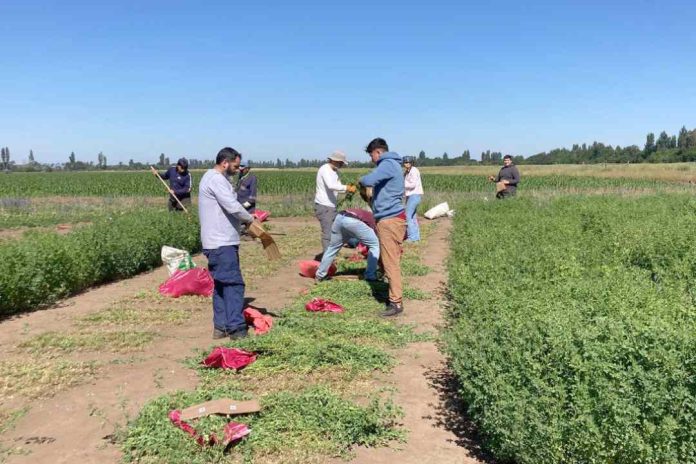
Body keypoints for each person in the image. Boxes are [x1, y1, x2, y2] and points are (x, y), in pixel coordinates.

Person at [198, 147, 255, 340]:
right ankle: (236, 328)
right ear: (225, 162)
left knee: (221, 285)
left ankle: (220, 327)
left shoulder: (211, 178)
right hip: (221, 242)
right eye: (236, 165)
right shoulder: (216, 179)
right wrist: (250, 220)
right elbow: (232, 206)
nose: (238, 169)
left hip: (216, 241)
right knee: (233, 284)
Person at [359, 138, 406, 317]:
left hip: (390, 220)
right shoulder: (392, 165)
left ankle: (396, 303)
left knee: (390, 262)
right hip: (389, 218)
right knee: (387, 260)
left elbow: (369, 179)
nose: (372, 159)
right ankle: (393, 294)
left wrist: (360, 180)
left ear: (377, 152)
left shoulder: (387, 164)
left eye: (371, 155)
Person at [315, 208, 380, 282]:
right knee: (375, 245)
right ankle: (370, 276)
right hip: (352, 221)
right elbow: (371, 243)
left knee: (332, 248)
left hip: (339, 218)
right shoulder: (374, 220)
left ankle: (320, 275)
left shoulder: (366, 213)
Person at [314, 151, 356, 258]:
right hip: (324, 206)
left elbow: (337, 187)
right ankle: (327, 259)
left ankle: (331, 255)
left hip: (331, 206)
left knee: (335, 231)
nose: (341, 165)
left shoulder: (334, 171)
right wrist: (346, 187)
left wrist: (347, 190)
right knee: (328, 233)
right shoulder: (325, 169)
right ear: (334, 161)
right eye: (341, 163)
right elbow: (331, 185)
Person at [403, 156, 423, 241]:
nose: (406, 164)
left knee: (408, 216)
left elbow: (413, 185)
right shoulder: (407, 172)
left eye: (408, 162)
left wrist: (402, 185)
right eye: (405, 162)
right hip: (411, 196)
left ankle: (412, 237)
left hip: (414, 195)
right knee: (413, 217)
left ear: (411, 163)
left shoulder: (414, 171)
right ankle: (416, 237)